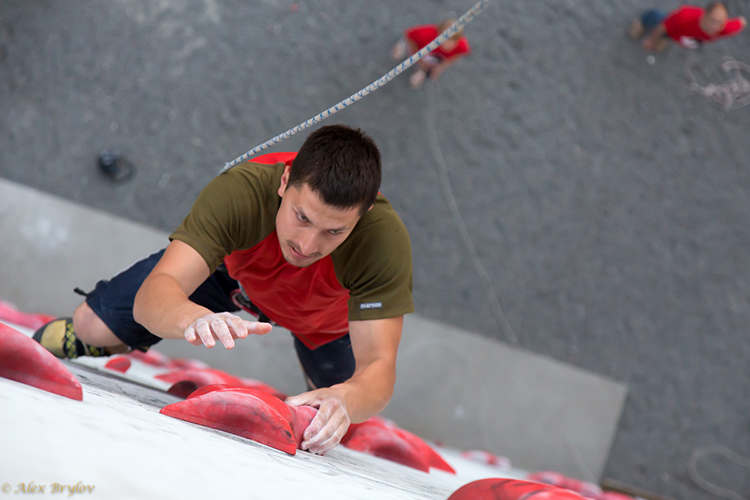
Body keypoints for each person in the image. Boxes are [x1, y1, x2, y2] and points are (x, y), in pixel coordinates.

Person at [33, 124, 414, 455]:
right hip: (231, 277)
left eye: (334, 231)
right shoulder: (241, 191)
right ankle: (83, 338)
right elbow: (155, 295)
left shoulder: (383, 240)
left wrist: (346, 397)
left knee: (329, 416)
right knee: (90, 326)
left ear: (361, 217)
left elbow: (378, 370)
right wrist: (189, 316)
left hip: (322, 321)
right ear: (284, 182)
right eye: (302, 217)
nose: (308, 245)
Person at [629, 2, 746, 52]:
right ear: (704, 14)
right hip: (672, 26)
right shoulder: (685, 16)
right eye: (712, 20)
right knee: (656, 18)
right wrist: (651, 41)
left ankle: (661, 40)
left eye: (720, 22)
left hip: (679, 34)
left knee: (667, 35)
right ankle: (641, 23)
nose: (715, 27)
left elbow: (741, 22)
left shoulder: (724, 28)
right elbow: (662, 27)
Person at [391, 19, 471, 89]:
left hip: (432, 57)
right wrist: (420, 61)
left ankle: (421, 72)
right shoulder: (425, 34)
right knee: (404, 47)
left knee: (429, 66)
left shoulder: (462, 46)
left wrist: (441, 68)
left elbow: (456, 56)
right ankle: (402, 45)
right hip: (419, 48)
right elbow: (408, 35)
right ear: (438, 32)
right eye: (445, 38)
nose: (447, 44)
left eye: (452, 41)